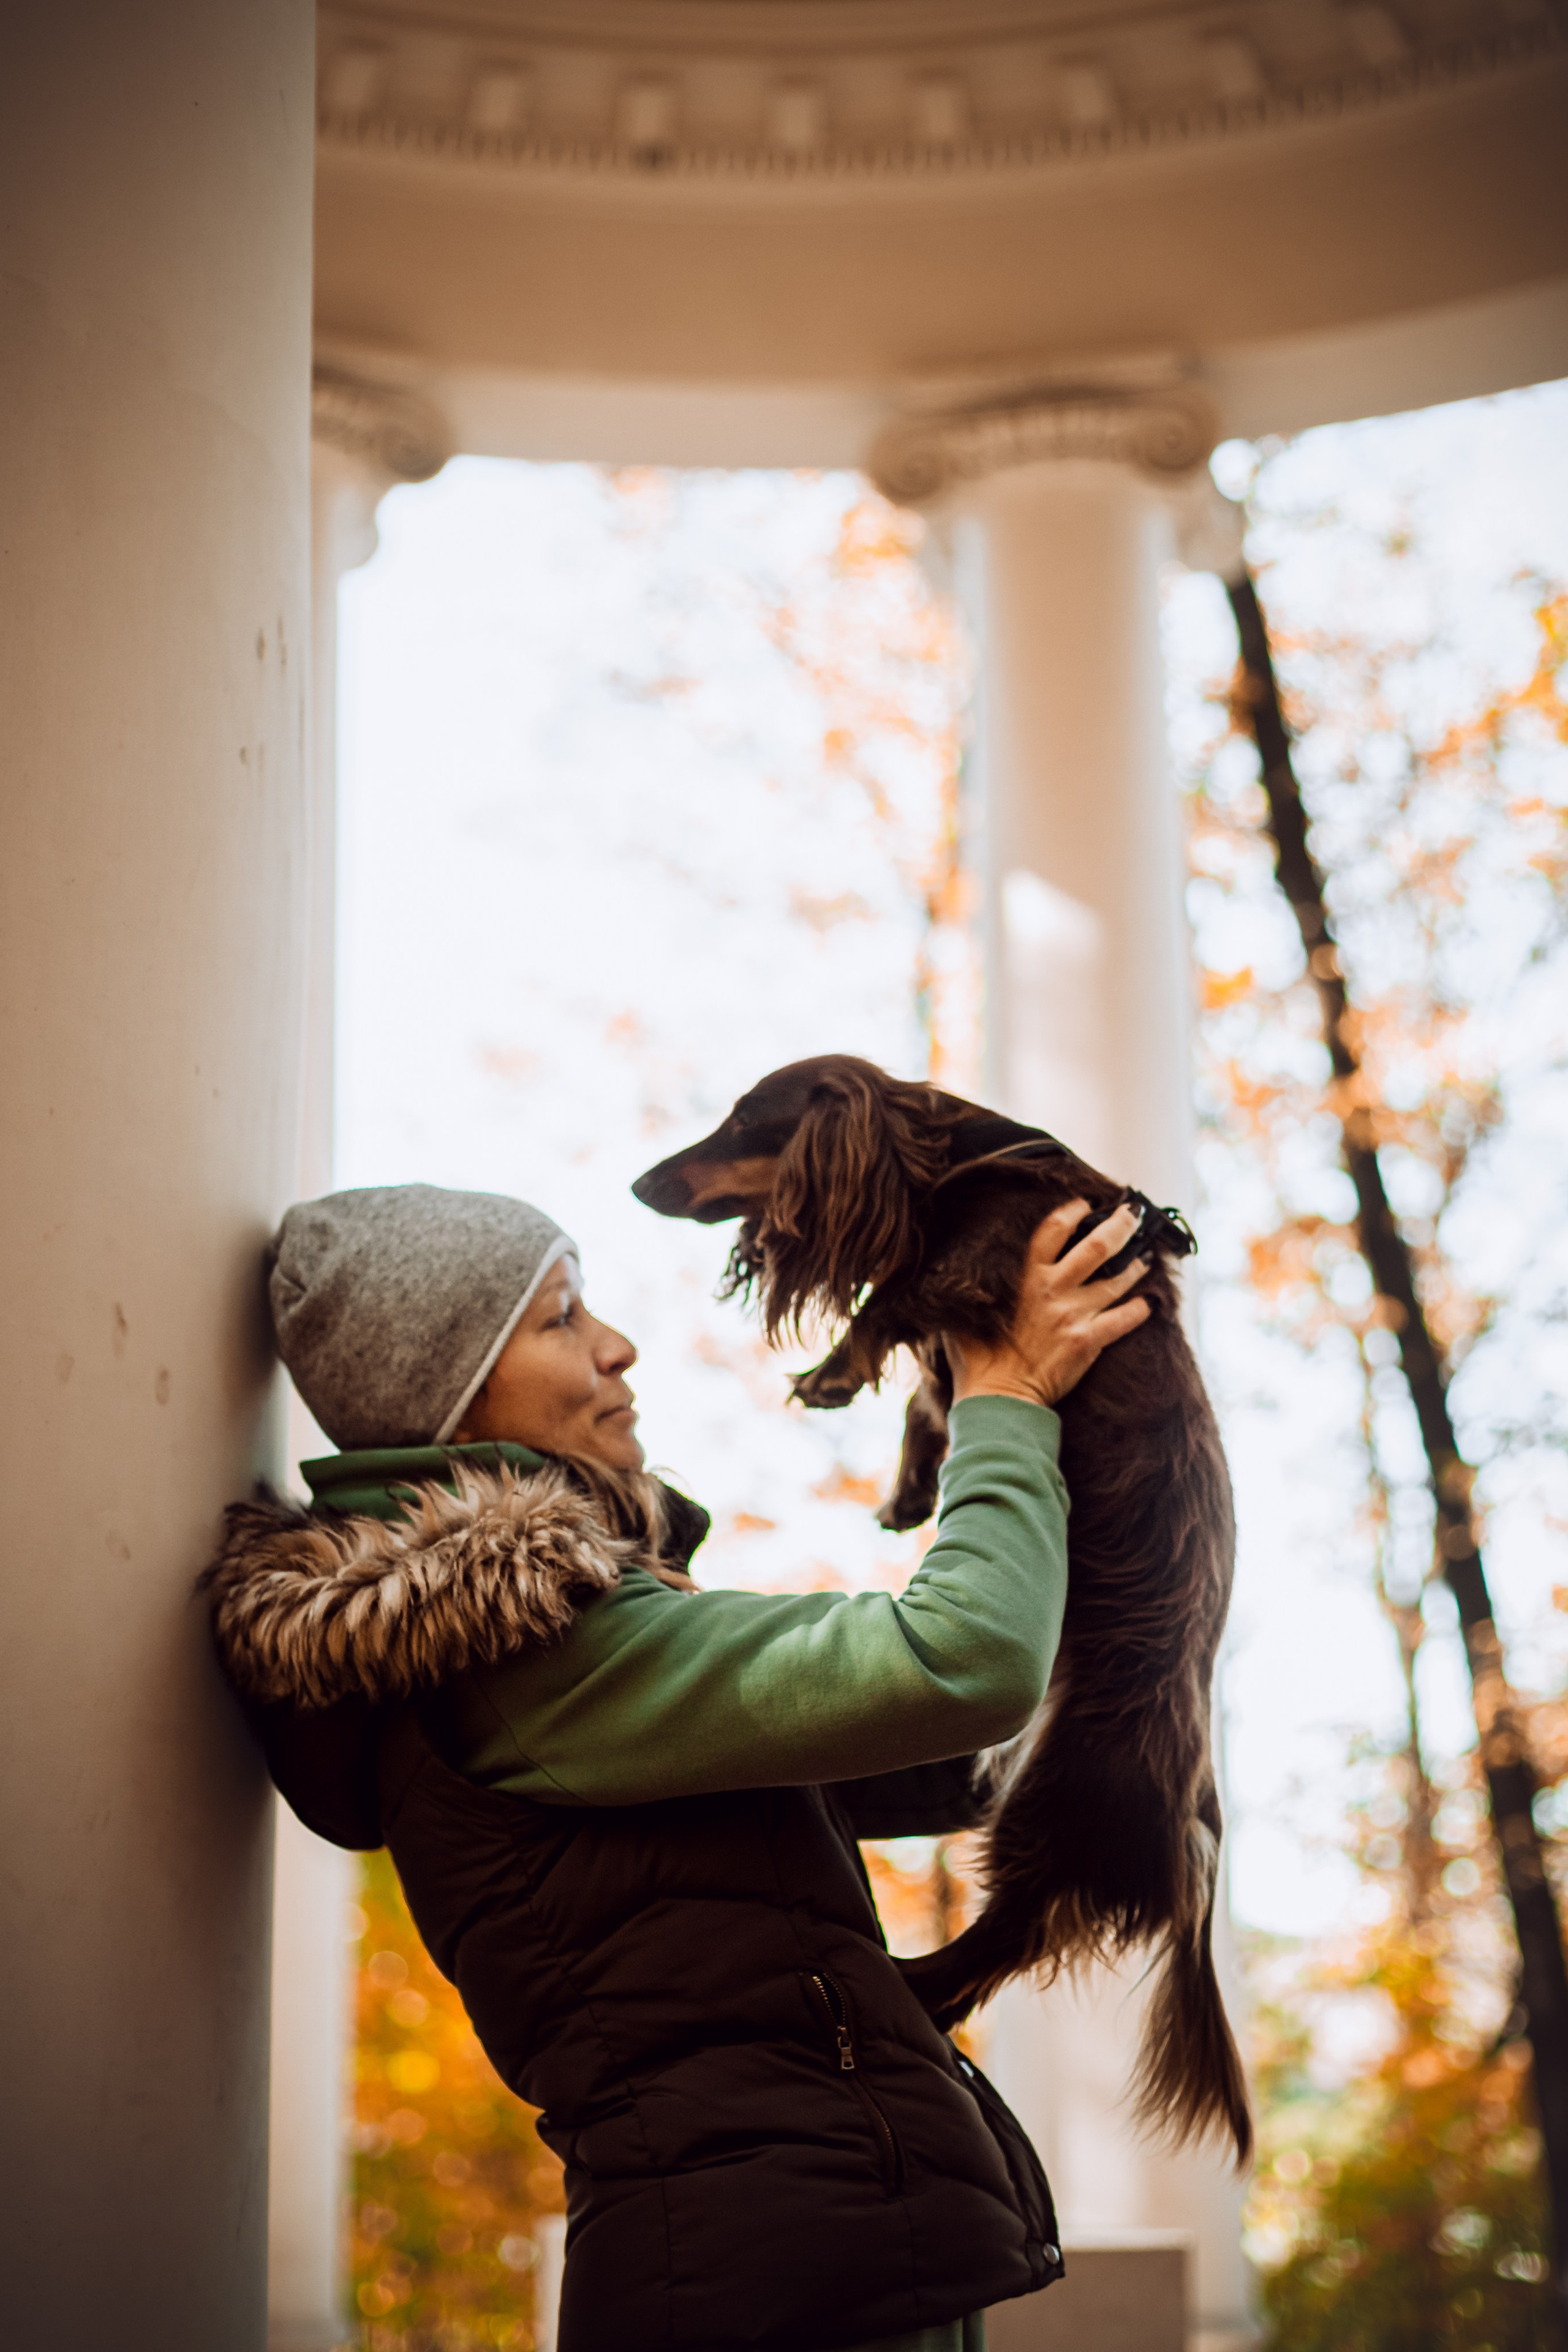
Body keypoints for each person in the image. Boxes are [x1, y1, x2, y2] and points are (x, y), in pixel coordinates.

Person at [205, 1179, 1151, 2352]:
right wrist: (1007, 1403)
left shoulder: (541, 1651)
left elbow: (941, 1745)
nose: (617, 1346)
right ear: (448, 1396)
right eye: (560, 1317)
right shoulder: (525, 1655)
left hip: (814, 2265)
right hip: (769, 2287)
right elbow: (964, 1662)